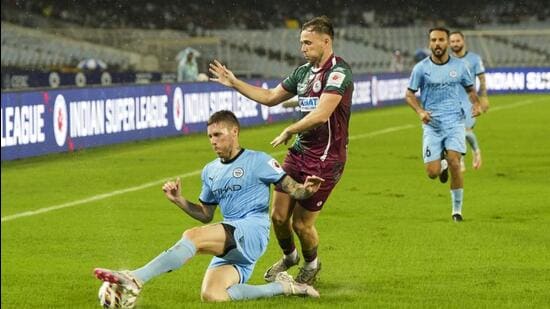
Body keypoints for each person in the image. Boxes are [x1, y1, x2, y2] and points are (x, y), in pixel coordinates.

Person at [93, 110, 324, 303]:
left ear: (234, 132)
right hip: (230, 237)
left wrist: (308, 190)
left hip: (251, 231)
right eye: (210, 136)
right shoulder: (210, 171)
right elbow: (205, 215)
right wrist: (179, 201)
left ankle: (135, 277)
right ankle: (285, 287)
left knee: (192, 236)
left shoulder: (259, 160)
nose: (213, 141)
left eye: (218, 134)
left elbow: (293, 189)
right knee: (213, 295)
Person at [209, 16, 353, 285]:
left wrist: (290, 129)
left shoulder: (338, 73)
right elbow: (270, 97)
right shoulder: (302, 73)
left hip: (325, 159)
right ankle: (289, 257)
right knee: (277, 216)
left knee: (301, 224)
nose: (303, 48)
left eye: (308, 42)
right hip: (299, 152)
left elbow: (322, 115)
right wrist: (235, 82)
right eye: (301, 42)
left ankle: (311, 265)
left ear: (326, 41)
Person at [405, 27, 483, 222]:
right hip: (432, 125)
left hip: (455, 121)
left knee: (456, 162)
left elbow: (470, 89)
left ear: (447, 43)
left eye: (441, 40)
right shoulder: (421, 68)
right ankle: (442, 164)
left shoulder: (460, 66)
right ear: (429, 43)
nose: (437, 44)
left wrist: (476, 104)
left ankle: (457, 211)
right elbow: (409, 94)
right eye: (433, 40)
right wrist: (420, 111)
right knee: (432, 173)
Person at [449, 31, 490, 171]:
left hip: (469, 101)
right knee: (453, 133)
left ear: (463, 41)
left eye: (457, 41)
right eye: (452, 42)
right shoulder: (447, 60)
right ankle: (459, 159)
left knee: (465, 131)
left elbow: (482, 78)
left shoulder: (474, 59)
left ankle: (476, 151)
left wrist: (483, 97)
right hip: (451, 101)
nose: (455, 44)